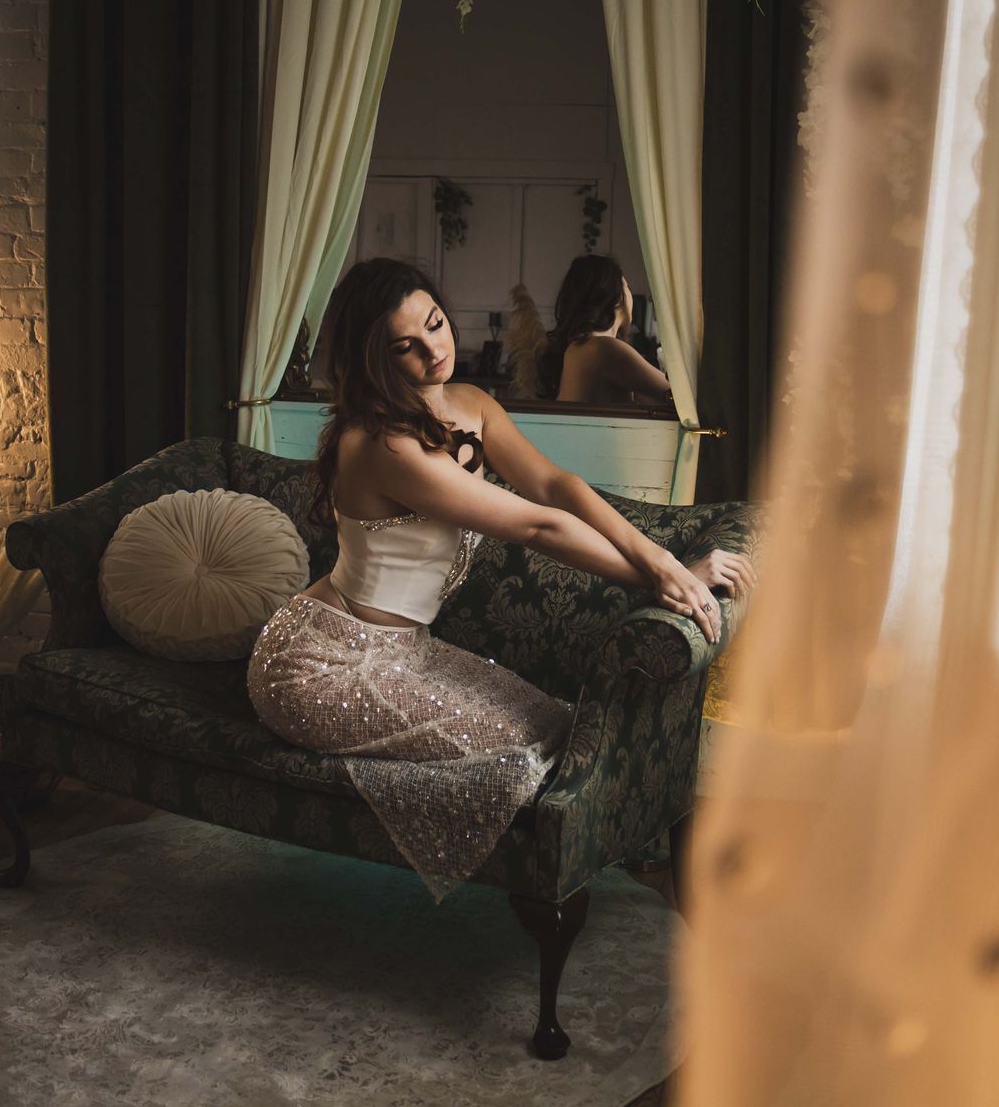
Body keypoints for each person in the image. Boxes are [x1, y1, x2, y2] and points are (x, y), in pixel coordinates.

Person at [248, 258, 755, 897]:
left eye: (435, 324)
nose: (434, 350)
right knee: (520, 753)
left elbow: (556, 486)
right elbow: (539, 526)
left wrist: (666, 562)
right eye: (405, 347)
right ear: (374, 359)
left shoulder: (471, 404)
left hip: (408, 652)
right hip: (319, 665)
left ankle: (633, 854)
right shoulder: (381, 446)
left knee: (564, 727)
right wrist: (662, 572)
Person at [538, 254, 672, 406]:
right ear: (617, 298)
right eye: (627, 287)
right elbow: (676, 394)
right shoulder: (604, 349)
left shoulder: (579, 347)